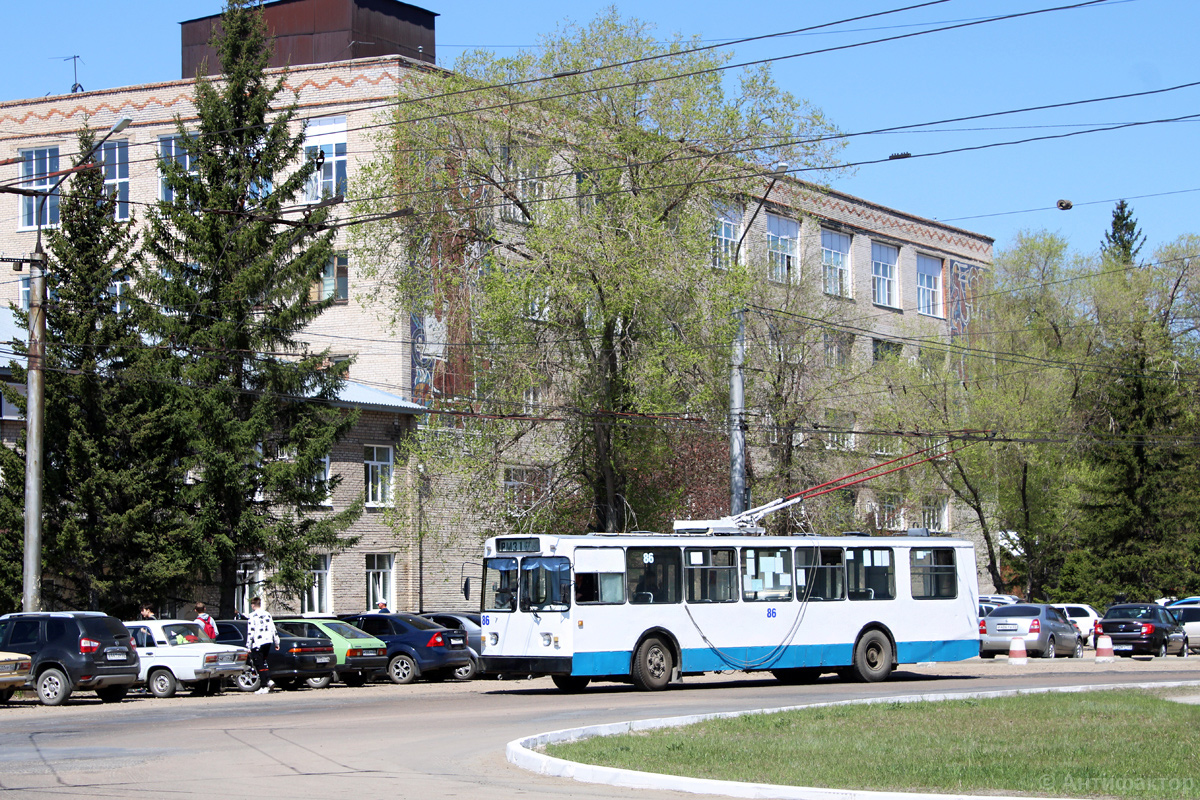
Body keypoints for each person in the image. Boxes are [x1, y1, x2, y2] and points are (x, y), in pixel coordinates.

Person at [246, 596, 279, 694]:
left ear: (253, 605)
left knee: (259, 663)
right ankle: (268, 680)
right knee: (264, 661)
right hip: (268, 641)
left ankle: (264, 685)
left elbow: (250, 631)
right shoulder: (267, 614)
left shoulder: (252, 616)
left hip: (258, 643)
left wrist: (248, 646)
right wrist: (277, 642)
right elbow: (273, 629)